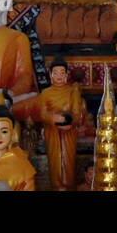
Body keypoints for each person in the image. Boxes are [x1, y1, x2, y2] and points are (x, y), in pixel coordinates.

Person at [39, 59, 84, 190]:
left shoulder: (72, 91)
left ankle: (68, 187)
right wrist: (53, 118)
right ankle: (57, 186)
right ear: (50, 75)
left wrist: (70, 123)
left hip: (69, 132)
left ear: (66, 75)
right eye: (56, 73)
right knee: (55, 162)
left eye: (62, 73)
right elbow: (42, 114)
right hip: (52, 132)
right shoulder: (45, 93)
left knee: (67, 162)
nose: (59, 76)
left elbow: (77, 114)